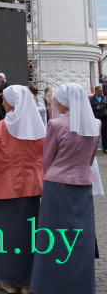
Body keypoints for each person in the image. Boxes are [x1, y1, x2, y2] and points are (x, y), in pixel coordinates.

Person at [31, 83, 100, 294]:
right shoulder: (96, 123)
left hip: (57, 185)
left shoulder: (56, 124)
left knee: (53, 236)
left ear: (65, 101)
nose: (54, 102)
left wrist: (56, 173)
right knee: (81, 235)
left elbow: (47, 159)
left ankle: (51, 285)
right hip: (83, 183)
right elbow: (91, 157)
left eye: (57, 98)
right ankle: (81, 284)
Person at [0, 85, 45, 294]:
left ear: (12, 102)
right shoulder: (38, 128)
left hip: (4, 189)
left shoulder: (0, 128)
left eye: (5, 99)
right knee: (29, 235)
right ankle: (26, 281)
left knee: (5, 235)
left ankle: (8, 281)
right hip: (32, 188)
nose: (3, 102)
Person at [90, 84, 107, 153]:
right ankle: (93, 148)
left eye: (102, 90)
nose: (102, 91)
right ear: (96, 91)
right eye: (100, 90)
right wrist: (95, 108)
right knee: (94, 133)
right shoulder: (91, 99)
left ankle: (105, 148)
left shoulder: (105, 99)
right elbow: (89, 109)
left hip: (104, 118)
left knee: (105, 133)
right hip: (95, 118)